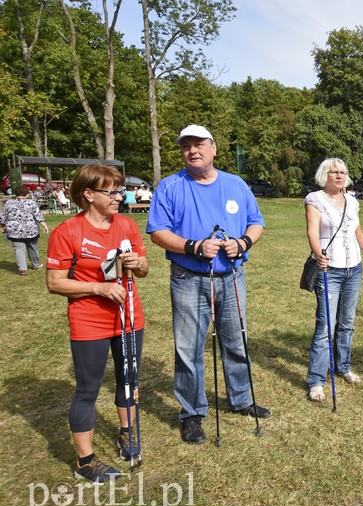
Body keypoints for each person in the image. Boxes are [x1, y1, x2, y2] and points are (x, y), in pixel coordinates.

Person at [147, 124, 269, 445]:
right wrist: (193, 246)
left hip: (230, 275)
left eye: (199, 144)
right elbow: (158, 231)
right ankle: (191, 413)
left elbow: (256, 223)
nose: (192, 151)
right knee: (188, 348)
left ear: (213, 148)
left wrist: (242, 243)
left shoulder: (236, 184)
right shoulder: (170, 187)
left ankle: (241, 399)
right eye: (186, 146)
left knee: (236, 340)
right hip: (187, 277)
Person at [45, 163, 149, 482]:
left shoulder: (127, 225)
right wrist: (98, 287)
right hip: (89, 320)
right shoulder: (67, 232)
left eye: (120, 190)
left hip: (129, 317)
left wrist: (138, 263)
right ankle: (86, 461)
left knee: (128, 381)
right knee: (88, 389)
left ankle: (126, 435)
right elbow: (55, 282)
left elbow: (144, 269)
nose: (120, 196)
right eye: (113, 191)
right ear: (88, 194)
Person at [304, 158, 363, 402]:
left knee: (347, 323)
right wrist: (319, 255)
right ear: (325, 175)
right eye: (334, 172)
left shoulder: (352, 201)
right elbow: (312, 231)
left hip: (354, 269)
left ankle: (343, 367)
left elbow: (356, 232)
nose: (339, 176)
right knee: (325, 326)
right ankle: (317, 381)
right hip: (330, 269)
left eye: (343, 172)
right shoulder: (314, 199)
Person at [0, 185, 49, 275]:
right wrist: (44, 225)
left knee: (18, 249)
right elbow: (38, 216)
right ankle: (36, 264)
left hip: (14, 231)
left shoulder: (9, 203)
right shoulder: (32, 203)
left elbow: (3, 216)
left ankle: (22, 269)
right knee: (33, 248)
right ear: (27, 194)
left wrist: (2, 226)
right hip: (31, 230)